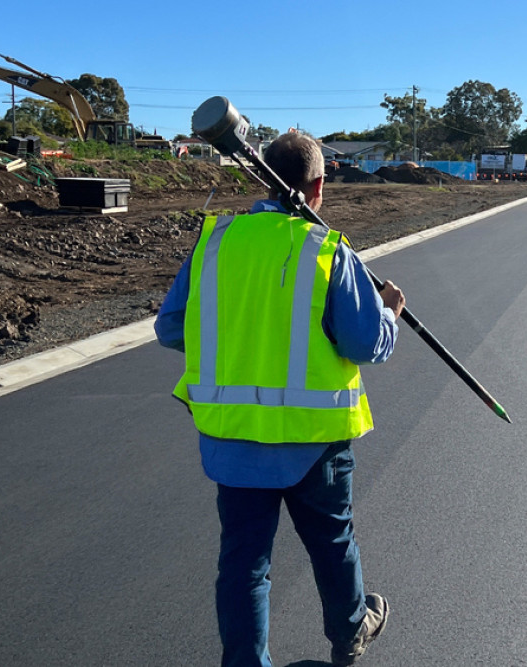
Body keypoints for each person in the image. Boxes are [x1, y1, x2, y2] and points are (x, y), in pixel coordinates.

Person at [155, 133, 404, 667]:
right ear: (318, 186)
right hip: (314, 443)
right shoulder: (327, 250)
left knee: (244, 564)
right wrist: (387, 314)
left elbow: (172, 328)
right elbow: (365, 344)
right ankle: (350, 630)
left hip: (234, 437)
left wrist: (238, 329)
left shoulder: (216, 243)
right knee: (332, 543)